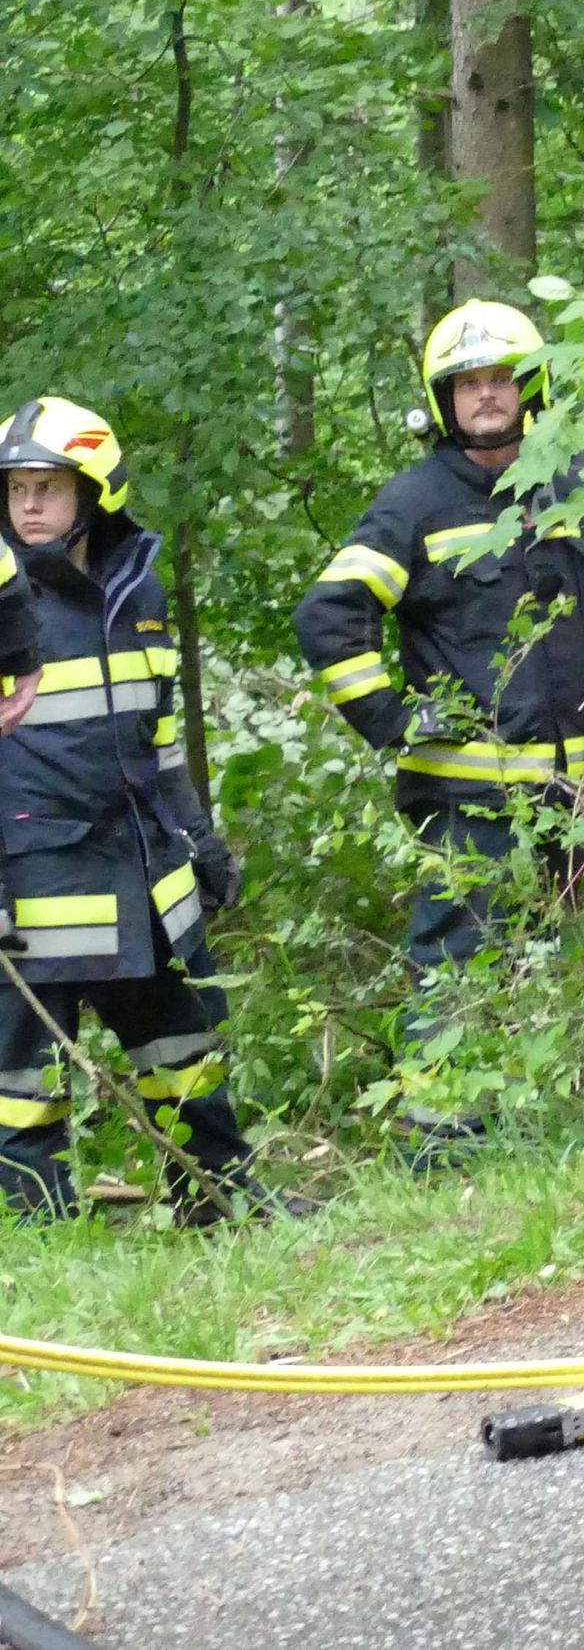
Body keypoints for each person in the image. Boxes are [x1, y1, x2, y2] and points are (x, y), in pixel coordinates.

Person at [295, 301, 584, 1159]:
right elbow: (329, 615)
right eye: (467, 384)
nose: (485, 396)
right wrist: (392, 721)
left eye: (499, 378)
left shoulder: (579, 485)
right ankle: (443, 1146)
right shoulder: (416, 504)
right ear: (443, 401)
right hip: (473, 798)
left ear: (531, 385)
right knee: (460, 962)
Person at [0, 399, 286, 1224]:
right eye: (17, 488)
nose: (27, 505)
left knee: (185, 1056)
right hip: (33, 890)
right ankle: (35, 1245)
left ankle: (220, 1203)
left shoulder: (140, 589)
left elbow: (159, 744)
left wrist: (198, 837)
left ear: (95, 492)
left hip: (142, 878)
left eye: (46, 486)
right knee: (24, 1087)